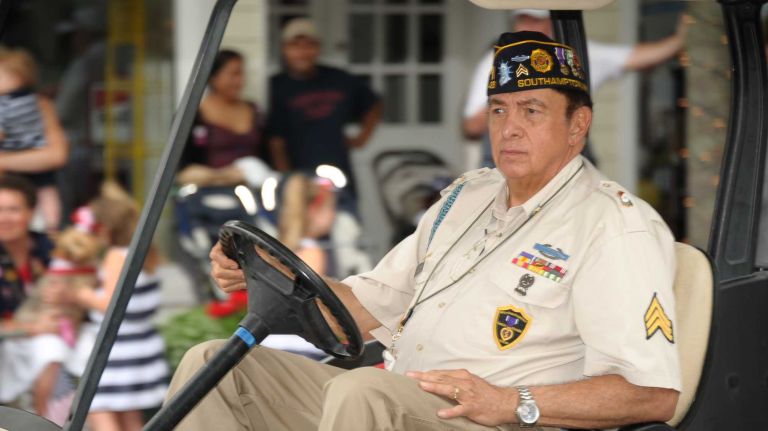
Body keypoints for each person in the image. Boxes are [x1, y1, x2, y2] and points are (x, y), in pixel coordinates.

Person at [167, 31, 681, 431]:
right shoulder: (467, 197)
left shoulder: (613, 224)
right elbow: (367, 308)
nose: (510, 128)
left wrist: (510, 402)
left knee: (362, 391)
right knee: (212, 366)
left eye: (532, 111)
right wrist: (268, 273)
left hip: (499, 420)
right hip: (403, 400)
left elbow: (651, 394)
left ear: (578, 125)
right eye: (499, 110)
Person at [463, 9, 688, 168]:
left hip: (568, 167)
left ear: (551, 22)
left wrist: (680, 40)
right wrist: (513, 104)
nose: (529, 27)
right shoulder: (497, 60)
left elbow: (632, 57)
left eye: (536, 20)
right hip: (508, 169)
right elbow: (471, 125)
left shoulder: (570, 56)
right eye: (523, 20)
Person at [58, 182, 168, 431]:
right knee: (131, 418)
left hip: (116, 350)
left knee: (99, 410)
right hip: (141, 344)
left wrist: (79, 293)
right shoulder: (147, 252)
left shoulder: (116, 256)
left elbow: (110, 304)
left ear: (105, 228)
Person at [266, 17, 382, 215]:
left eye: (309, 45)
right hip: (299, 173)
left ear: (318, 48)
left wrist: (362, 137)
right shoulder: (276, 86)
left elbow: (374, 103)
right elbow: (275, 141)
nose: (302, 52)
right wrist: (287, 178)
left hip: (338, 169)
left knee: (346, 221)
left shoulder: (338, 78)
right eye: (295, 46)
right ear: (284, 49)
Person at [0, 174, 66, 420]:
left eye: (13, 209)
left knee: (54, 350)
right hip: (7, 349)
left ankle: (50, 423)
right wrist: (33, 327)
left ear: (31, 212)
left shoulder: (53, 249)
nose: (4, 218)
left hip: (58, 339)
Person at [177, 49, 272, 188]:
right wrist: (224, 175)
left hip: (257, 186)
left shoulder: (254, 110)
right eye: (233, 74)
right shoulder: (193, 117)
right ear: (213, 77)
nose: (239, 81)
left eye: (242, 74)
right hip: (212, 188)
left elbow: (268, 153)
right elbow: (183, 172)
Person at [0, 47, 69, 232]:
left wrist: (4, 161)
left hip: (32, 194)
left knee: (47, 202)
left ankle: (51, 226)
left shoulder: (40, 104)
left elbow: (56, 156)